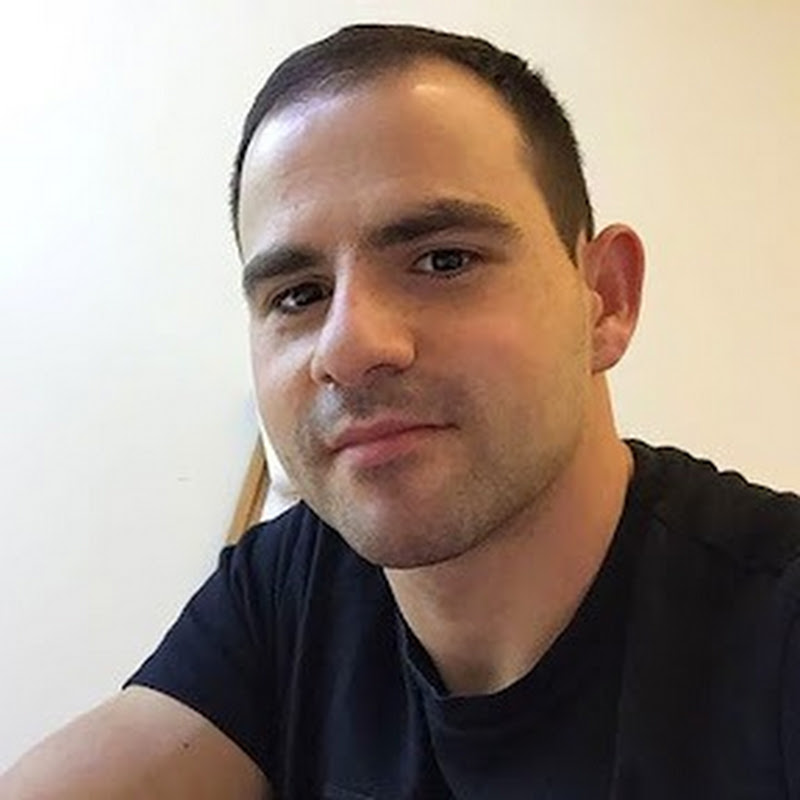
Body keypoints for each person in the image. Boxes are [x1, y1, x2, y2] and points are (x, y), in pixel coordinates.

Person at [2, 23, 799, 800]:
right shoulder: (288, 587)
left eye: (443, 260)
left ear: (606, 299)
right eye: (299, 295)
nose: (348, 348)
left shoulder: (776, 624)